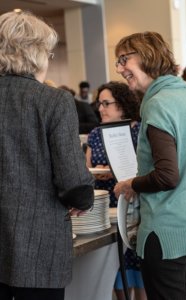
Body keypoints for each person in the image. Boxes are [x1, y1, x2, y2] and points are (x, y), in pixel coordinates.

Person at [113, 31, 186, 300]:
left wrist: (131, 184)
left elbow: (167, 176)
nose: (120, 68)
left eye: (124, 59)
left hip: (168, 231)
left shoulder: (159, 103)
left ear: (148, 56)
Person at [0, 11, 94, 300]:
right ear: (36, 52)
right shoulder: (53, 100)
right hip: (38, 243)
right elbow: (72, 178)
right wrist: (82, 199)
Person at [85, 81, 146, 300]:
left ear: (122, 105)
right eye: (99, 104)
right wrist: (95, 172)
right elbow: (86, 167)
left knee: (137, 264)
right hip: (104, 207)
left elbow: (148, 170)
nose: (100, 109)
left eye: (106, 103)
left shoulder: (140, 131)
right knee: (112, 266)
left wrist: (119, 173)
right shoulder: (96, 133)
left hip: (132, 206)